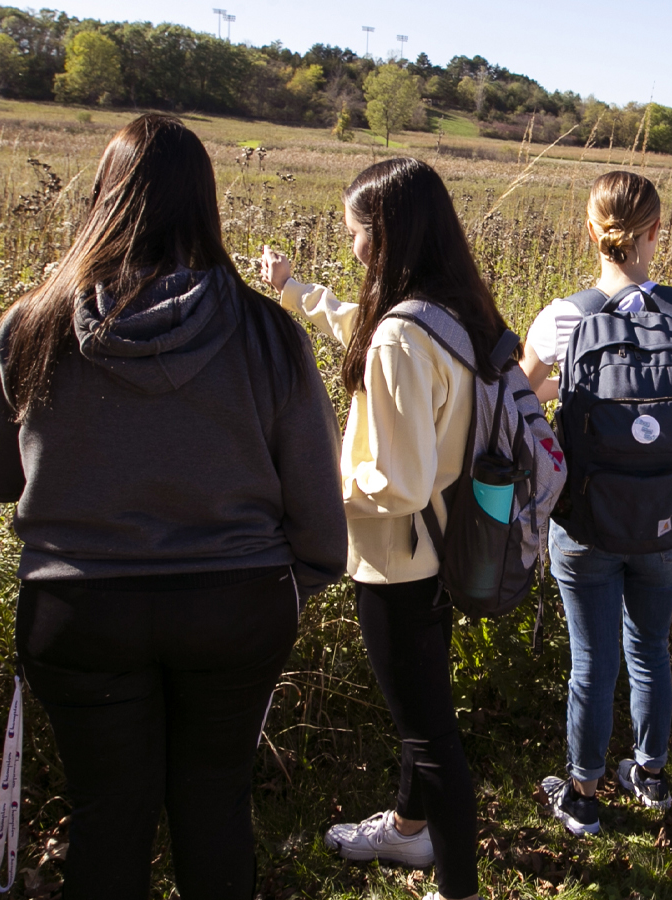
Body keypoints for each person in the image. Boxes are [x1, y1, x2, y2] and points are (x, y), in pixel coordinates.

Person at [0, 113, 347, 899]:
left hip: (78, 607)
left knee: (106, 815)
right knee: (214, 806)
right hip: (235, 605)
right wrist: (286, 585)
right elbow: (319, 516)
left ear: (102, 195)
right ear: (206, 205)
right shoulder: (267, 333)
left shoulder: (30, 326)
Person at [258, 157, 496, 900]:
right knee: (423, 706)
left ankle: (456, 886)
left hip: (398, 559)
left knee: (430, 733)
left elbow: (397, 481)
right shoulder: (454, 311)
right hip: (446, 543)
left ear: (387, 233)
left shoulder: (401, 335)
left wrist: (306, 493)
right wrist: (295, 291)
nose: (351, 243)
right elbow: (361, 333)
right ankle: (406, 830)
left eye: (355, 230)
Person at [513, 171, 672, 835]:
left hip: (585, 524)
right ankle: (652, 775)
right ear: (656, 231)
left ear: (589, 228)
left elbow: (516, 407)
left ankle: (582, 793)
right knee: (651, 649)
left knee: (591, 661)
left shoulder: (561, 317)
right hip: (668, 520)